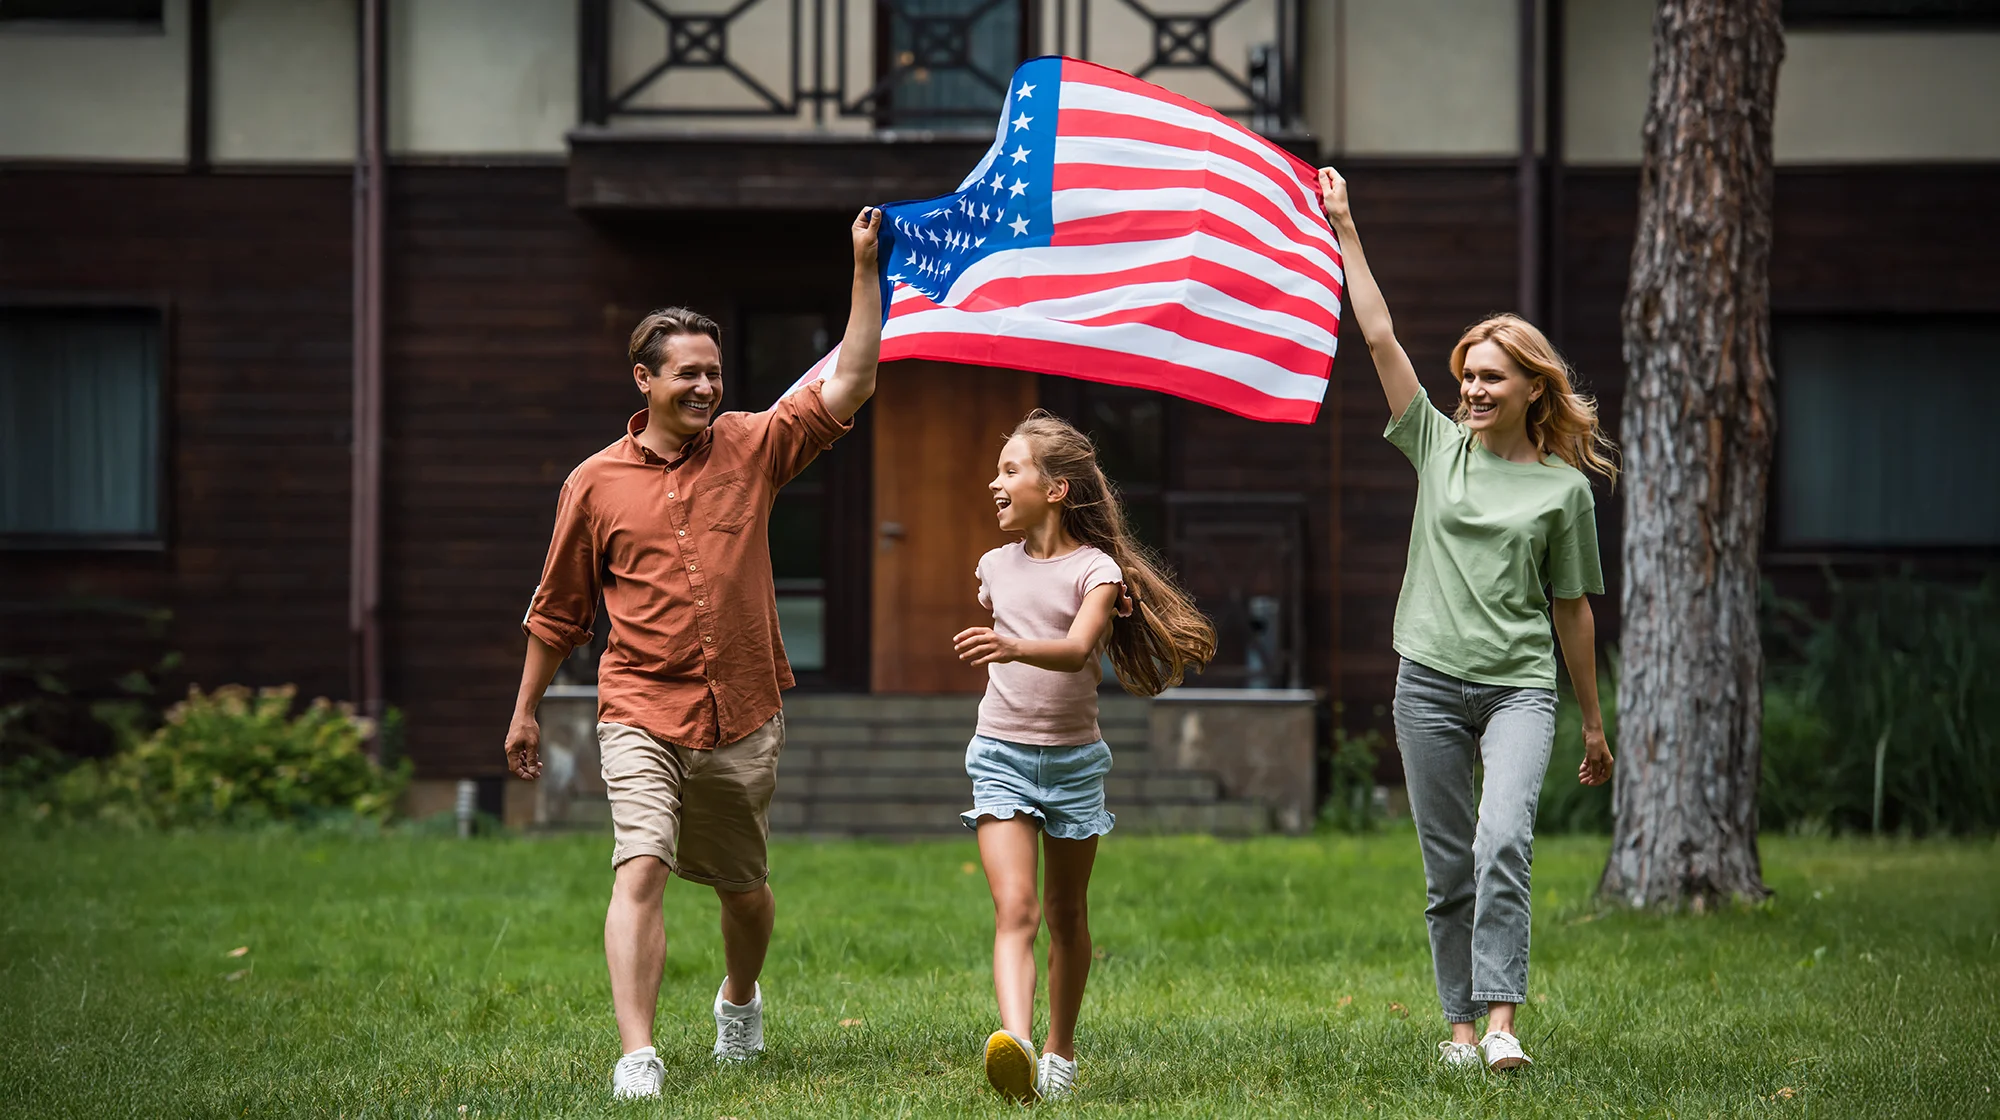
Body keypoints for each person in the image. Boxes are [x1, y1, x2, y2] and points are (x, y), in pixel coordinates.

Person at [503, 208, 883, 1100]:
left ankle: (739, 998)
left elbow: (854, 379)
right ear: (645, 380)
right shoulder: (594, 484)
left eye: (714, 372)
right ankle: (638, 1053)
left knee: (744, 890)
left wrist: (863, 269)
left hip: (742, 712)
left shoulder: (754, 447)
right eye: (688, 374)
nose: (706, 387)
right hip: (639, 705)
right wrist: (525, 706)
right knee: (641, 865)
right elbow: (559, 609)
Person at [1317, 168, 1617, 1072]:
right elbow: (1376, 334)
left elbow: (1573, 611)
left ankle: (1500, 1026)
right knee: (1448, 866)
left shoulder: (1564, 491)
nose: (1474, 390)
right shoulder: (1435, 445)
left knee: (1502, 844)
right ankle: (1457, 1031)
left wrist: (1594, 724)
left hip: (1520, 690)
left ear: (1534, 388)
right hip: (1428, 687)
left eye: (1492, 378)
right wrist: (1344, 225)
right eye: (1468, 376)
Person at [952, 411, 1217, 1102]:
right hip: (1001, 754)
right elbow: (1010, 610)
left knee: (1067, 913)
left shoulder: (1097, 571)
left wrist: (1010, 646)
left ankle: (1059, 1052)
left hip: (1072, 765)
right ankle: (1013, 1047)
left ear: (1058, 489)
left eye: (1011, 471)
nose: (995, 483)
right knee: (1017, 909)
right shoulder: (992, 567)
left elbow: (1074, 652)